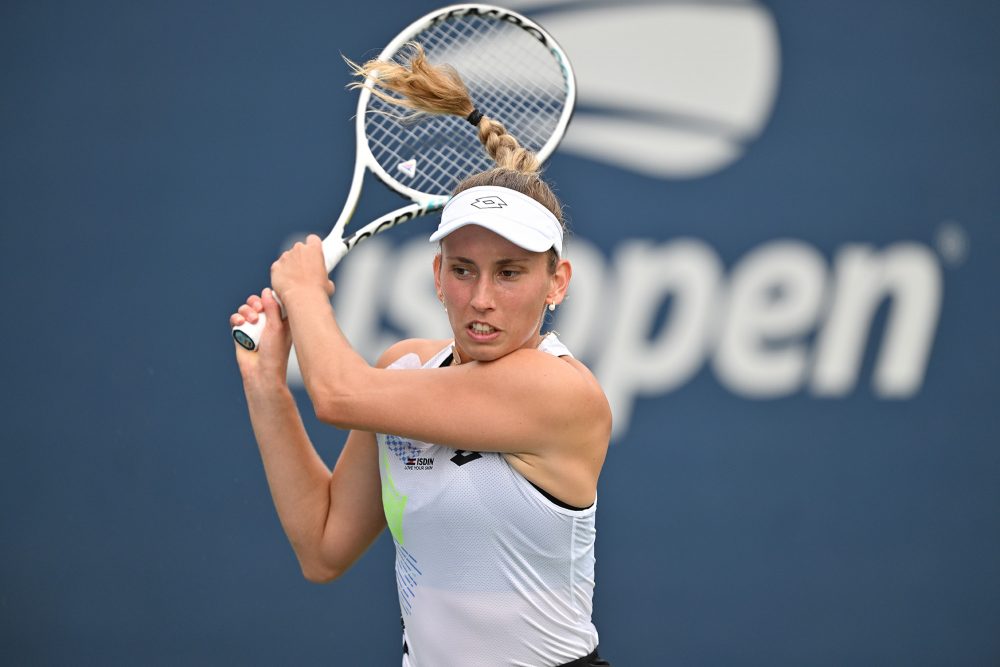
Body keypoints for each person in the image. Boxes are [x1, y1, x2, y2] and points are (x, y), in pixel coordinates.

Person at [230, 44, 612, 667]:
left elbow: (337, 395)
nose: (481, 298)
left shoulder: (558, 392)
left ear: (557, 282)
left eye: (510, 273)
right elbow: (323, 549)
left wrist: (303, 293)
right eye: (462, 270)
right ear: (436, 275)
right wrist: (268, 384)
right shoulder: (405, 369)